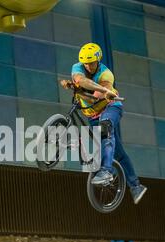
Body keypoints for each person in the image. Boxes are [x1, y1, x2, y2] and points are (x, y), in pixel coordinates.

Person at [60, 43, 147, 205]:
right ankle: (136, 186)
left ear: (98, 61)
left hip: (110, 109)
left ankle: (106, 171)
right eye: (86, 63)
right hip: (92, 115)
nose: (88, 66)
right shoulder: (77, 67)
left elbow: (94, 98)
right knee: (118, 154)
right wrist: (76, 86)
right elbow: (82, 81)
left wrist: (81, 91)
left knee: (105, 129)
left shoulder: (106, 74)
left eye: (91, 63)